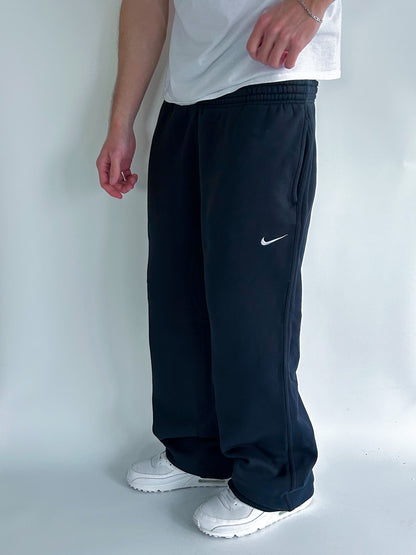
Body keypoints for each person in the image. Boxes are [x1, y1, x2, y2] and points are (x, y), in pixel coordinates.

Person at [96, 0, 342, 539]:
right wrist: (122, 122)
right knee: (177, 291)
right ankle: (199, 449)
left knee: (252, 299)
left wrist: (309, 5)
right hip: (185, 97)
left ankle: (277, 477)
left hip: (267, 80)